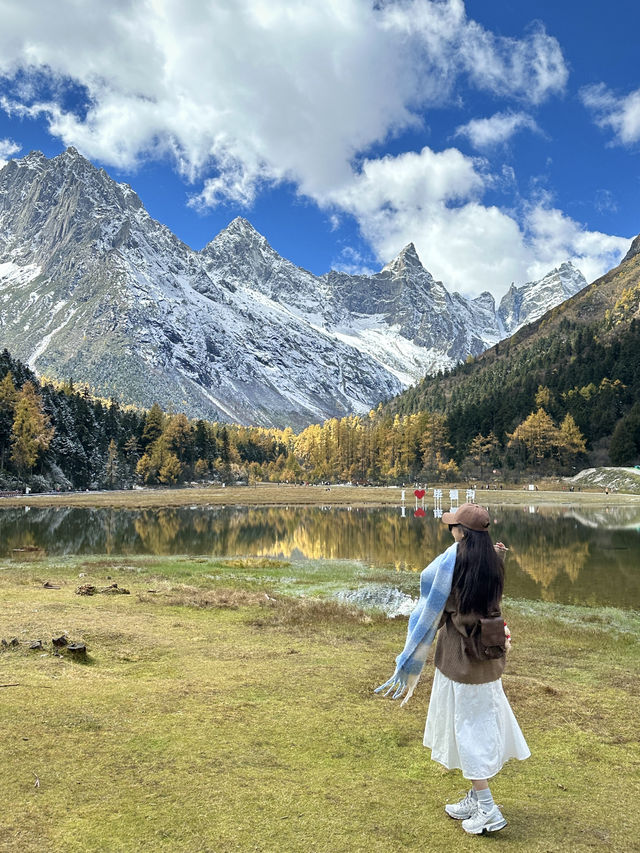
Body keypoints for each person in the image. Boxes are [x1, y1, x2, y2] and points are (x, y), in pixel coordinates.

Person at [375, 503, 529, 836]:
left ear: (463, 533)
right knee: (478, 724)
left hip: (463, 661)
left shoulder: (453, 566)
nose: (451, 532)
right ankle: (476, 797)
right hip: (488, 658)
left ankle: (488, 807)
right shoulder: (492, 560)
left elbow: (441, 609)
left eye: (453, 528)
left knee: (468, 731)